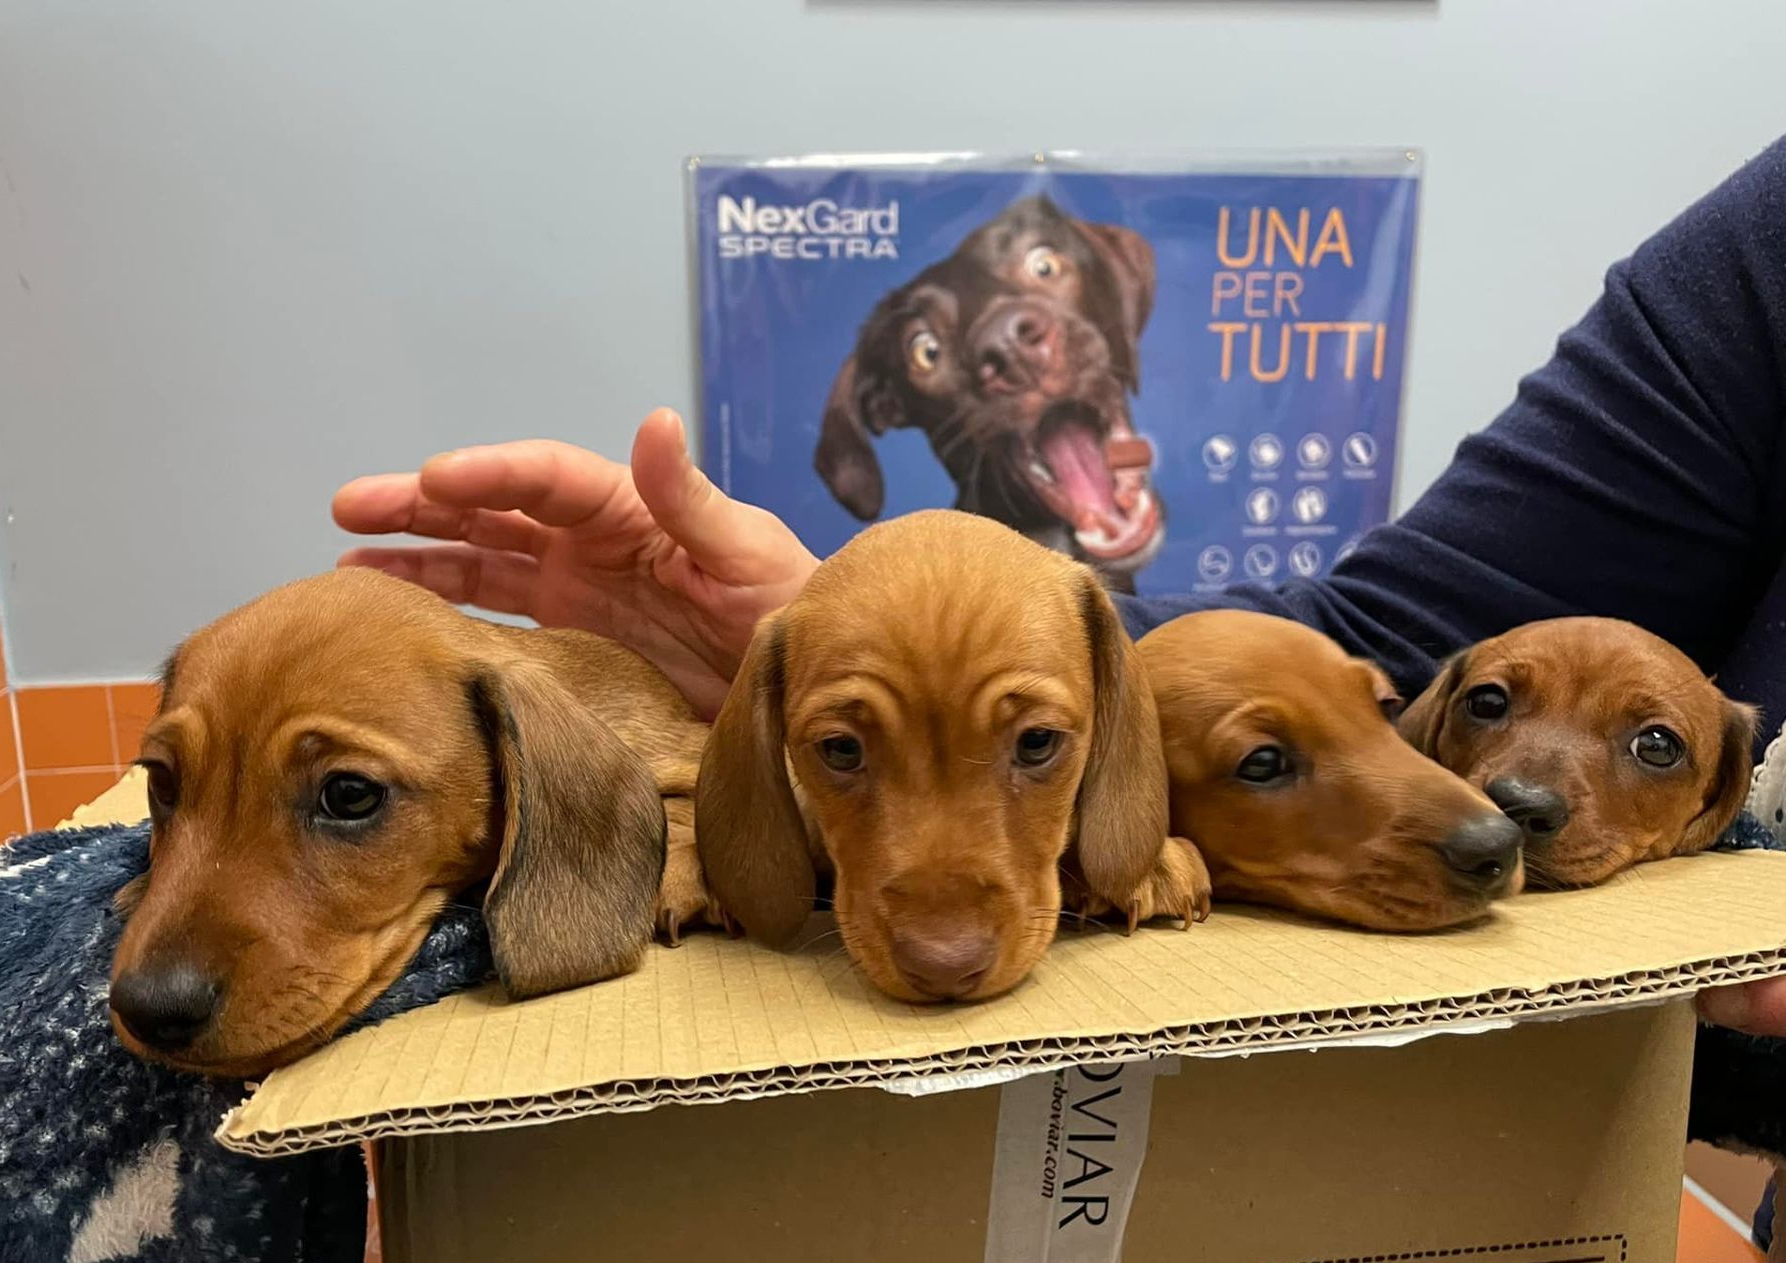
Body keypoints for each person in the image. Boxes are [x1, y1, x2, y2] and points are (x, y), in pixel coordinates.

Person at [334, 135, 1786, 1038]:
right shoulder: (1760, 259)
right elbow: (1368, 645)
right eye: (843, 746)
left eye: (1039, 747)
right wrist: (813, 628)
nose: (1015, 349)